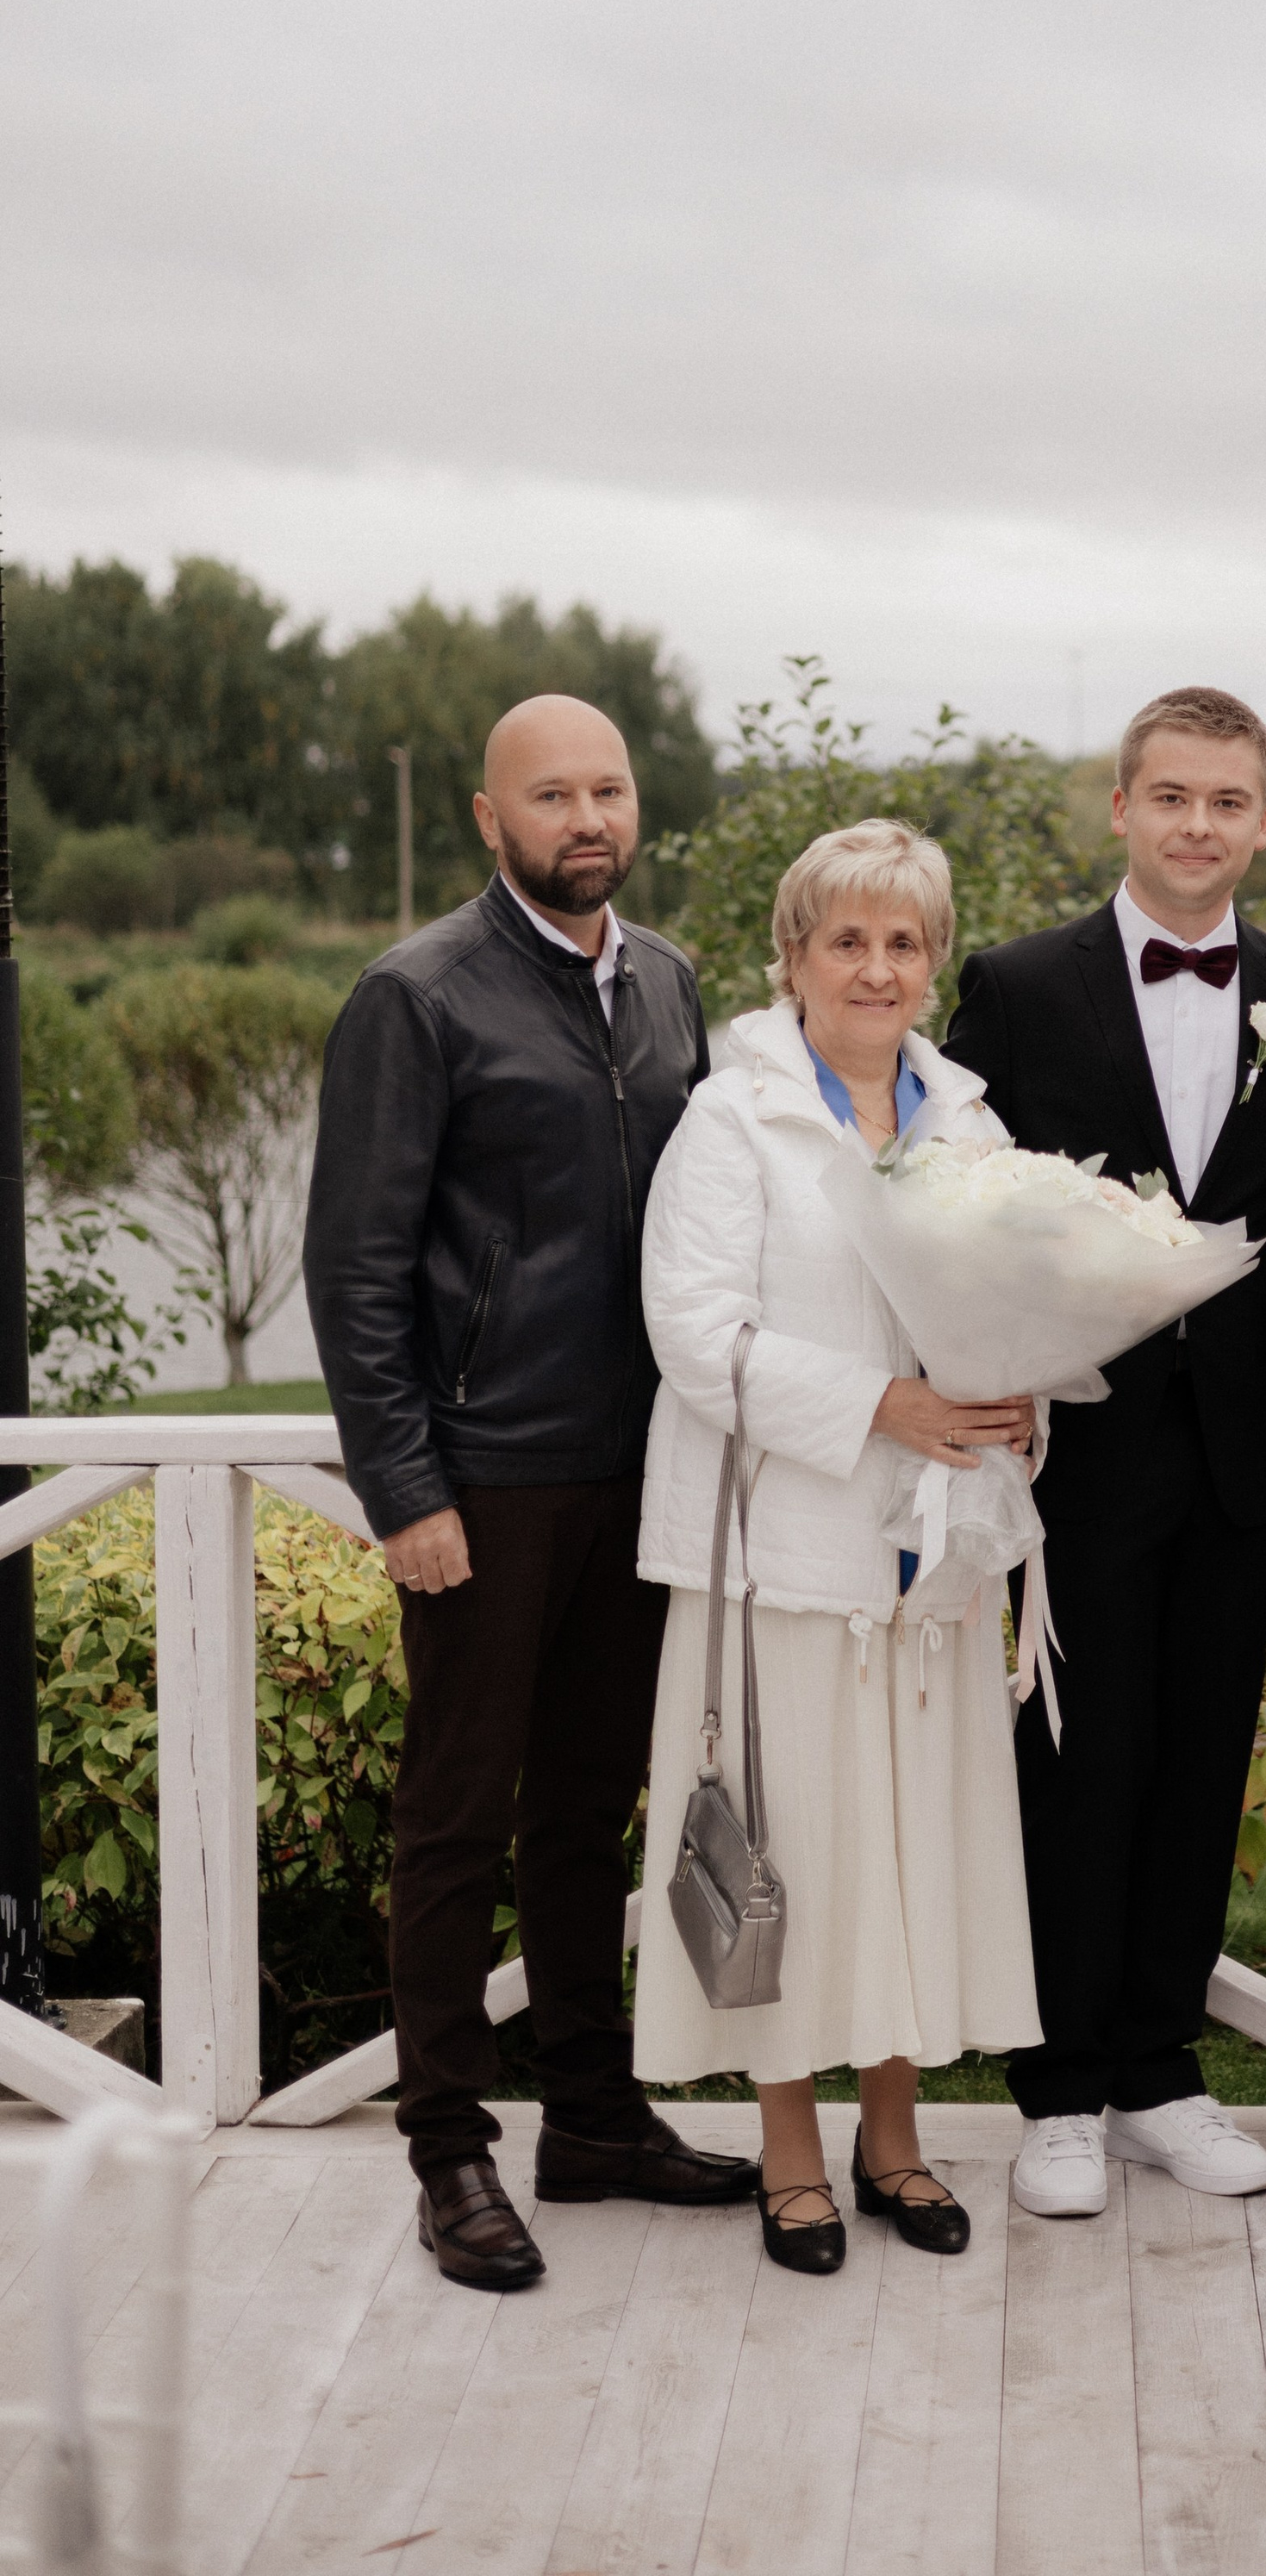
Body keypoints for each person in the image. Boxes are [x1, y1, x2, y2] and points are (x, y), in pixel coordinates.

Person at [303, 695, 755, 2291]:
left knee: (584, 1813)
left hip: (641, 1473)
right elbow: (354, 1272)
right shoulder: (415, 996)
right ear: (492, 819)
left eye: (608, 789)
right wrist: (405, 1483)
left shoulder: (671, 984)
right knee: (453, 1818)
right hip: (483, 1480)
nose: (586, 817)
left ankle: (590, 2114)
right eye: (550, 793)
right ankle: (445, 2148)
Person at [942, 686, 1266, 2218]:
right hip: (1074, 1457)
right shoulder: (1017, 984)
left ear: (1264, 820)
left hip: (1238, 1456)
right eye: (1170, 796)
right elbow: (954, 1212)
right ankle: (1056, 2088)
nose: (1199, 824)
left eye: (1228, 801)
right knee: (1074, 1767)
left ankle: (1161, 2076)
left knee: (1200, 1766)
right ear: (1120, 808)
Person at [630, 819, 1041, 2274]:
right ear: (793, 954)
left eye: (906, 941)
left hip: (931, 1562)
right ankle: (789, 2156)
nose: (878, 968)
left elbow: (1006, 1320)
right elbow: (696, 1340)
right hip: (784, 1559)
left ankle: (899, 2141)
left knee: (903, 1850)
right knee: (789, 1852)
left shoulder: (972, 1128)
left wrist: (1016, 1398)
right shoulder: (730, 1122)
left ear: (935, 961)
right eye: (848, 939)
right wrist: (885, 1405)